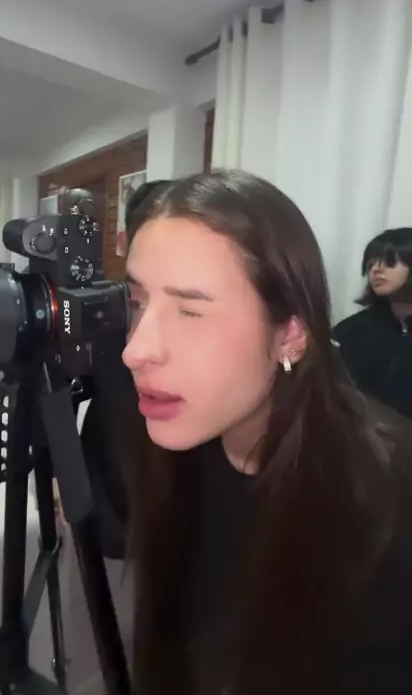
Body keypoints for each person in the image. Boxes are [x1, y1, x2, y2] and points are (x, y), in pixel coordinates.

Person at [122, 170, 412, 695]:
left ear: (291, 333)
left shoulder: (387, 493)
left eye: (189, 311)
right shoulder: (175, 438)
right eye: (138, 302)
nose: (136, 350)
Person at [78, 178, 170, 557]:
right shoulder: (94, 308)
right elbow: (55, 392)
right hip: (105, 499)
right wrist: (55, 475)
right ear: (123, 241)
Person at [334, 228, 412, 419]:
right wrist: (288, 356)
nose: (376, 270)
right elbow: (295, 369)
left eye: (390, 262)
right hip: (357, 432)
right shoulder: (351, 329)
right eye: (370, 265)